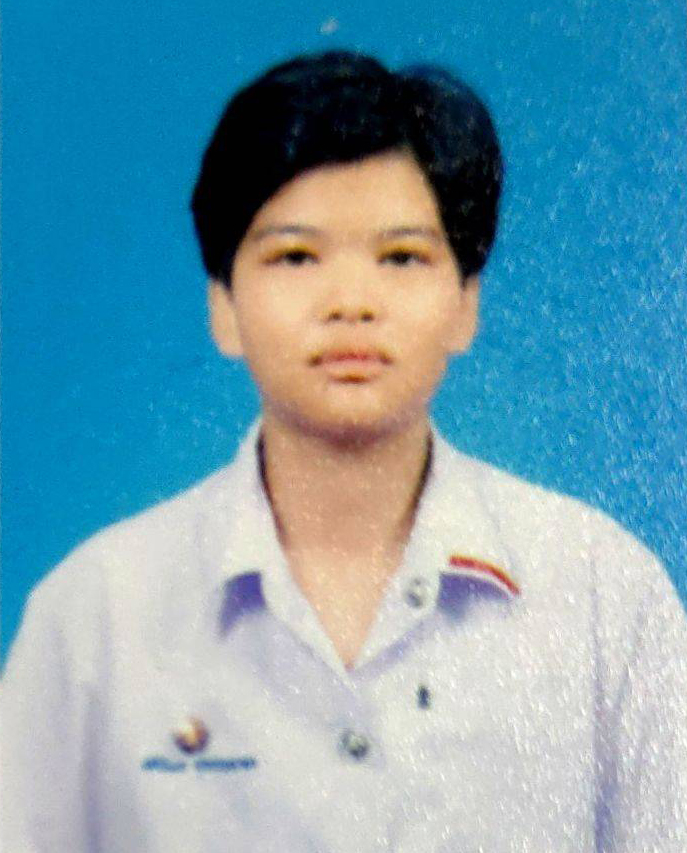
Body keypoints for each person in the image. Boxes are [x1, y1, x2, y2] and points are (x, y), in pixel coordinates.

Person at [1, 50, 685, 853]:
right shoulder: (95, 614)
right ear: (223, 305)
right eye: (295, 256)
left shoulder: (603, 595)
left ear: (465, 303)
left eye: (401, 257)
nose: (351, 303)